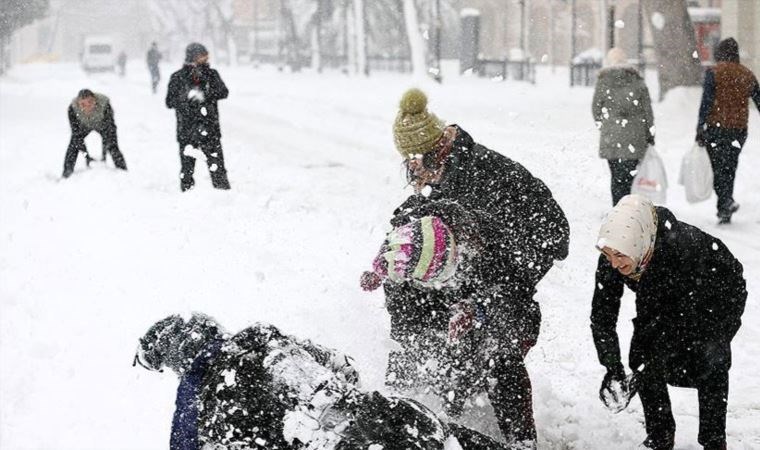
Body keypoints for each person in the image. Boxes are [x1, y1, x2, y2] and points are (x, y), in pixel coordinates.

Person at [370, 88, 570, 447]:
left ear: (434, 152)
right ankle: (425, 412)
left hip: (518, 263)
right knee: (427, 338)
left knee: (495, 351)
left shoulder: (484, 179)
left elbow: (547, 241)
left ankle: (520, 441)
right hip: (471, 265)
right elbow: (410, 234)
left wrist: (480, 304)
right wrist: (388, 263)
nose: (412, 172)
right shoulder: (442, 180)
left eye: (414, 162)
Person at [134, 313, 514, 450]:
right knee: (443, 436)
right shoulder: (262, 336)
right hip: (392, 417)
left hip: (340, 444)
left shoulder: (205, 411)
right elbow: (345, 367)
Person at [591, 194, 747, 450]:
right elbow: (602, 316)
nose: (614, 263)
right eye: (607, 254)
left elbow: (666, 319)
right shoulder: (617, 250)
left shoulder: (680, 249)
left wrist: (718, 336)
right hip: (667, 296)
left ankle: (714, 440)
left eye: (619, 256)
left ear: (639, 244)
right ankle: (660, 436)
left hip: (715, 293)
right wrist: (612, 367)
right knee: (642, 357)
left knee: (710, 359)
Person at [695, 37, 760, 224]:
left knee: (718, 168)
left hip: (716, 129)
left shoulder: (713, 73)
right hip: (738, 130)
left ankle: (725, 202)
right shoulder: (746, 74)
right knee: (730, 167)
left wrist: (700, 127)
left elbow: (706, 103)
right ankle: (725, 206)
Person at [592, 47, 655, 206]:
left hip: (611, 137)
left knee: (616, 176)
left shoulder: (603, 81)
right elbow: (647, 111)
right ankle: (627, 207)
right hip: (635, 136)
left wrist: (606, 125)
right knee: (629, 177)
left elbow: (596, 108)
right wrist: (650, 134)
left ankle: (617, 208)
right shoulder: (637, 81)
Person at [166, 43, 231, 191]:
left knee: (217, 168)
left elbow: (223, 92)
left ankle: (224, 197)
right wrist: (186, 98)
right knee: (187, 170)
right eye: (202, 55)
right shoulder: (178, 77)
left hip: (210, 129)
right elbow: (169, 102)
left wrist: (205, 95)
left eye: (206, 55)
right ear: (193, 56)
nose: (206, 58)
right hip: (187, 131)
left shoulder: (212, 74)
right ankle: (188, 198)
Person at [62, 89, 127, 178]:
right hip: (83, 126)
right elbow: (77, 136)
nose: (87, 107)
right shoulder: (72, 109)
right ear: (78, 104)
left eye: (90, 102)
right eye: (83, 105)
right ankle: (66, 174)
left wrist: (103, 156)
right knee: (74, 145)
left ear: (95, 100)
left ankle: (123, 171)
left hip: (102, 124)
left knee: (112, 145)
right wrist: (87, 157)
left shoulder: (105, 105)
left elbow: (109, 130)